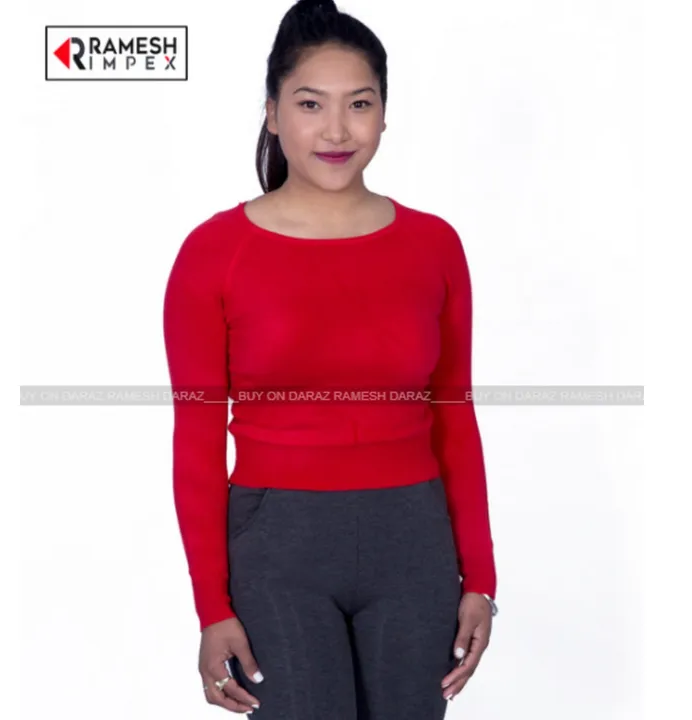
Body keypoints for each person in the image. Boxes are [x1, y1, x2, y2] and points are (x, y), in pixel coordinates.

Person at [162, 0, 498, 717]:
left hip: (413, 541)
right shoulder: (214, 254)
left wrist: (481, 578)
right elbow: (196, 441)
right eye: (311, 104)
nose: (338, 130)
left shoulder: (434, 246)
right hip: (277, 549)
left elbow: (455, 417)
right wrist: (211, 608)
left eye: (360, 104)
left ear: (384, 114)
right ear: (272, 114)